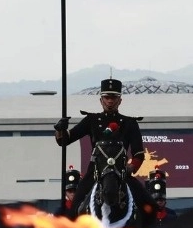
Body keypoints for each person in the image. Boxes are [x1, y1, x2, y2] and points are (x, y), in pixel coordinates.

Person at [53, 78, 156, 219]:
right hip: (95, 171)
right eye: (107, 97)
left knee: (150, 206)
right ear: (101, 100)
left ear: (120, 100)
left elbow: (138, 153)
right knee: (74, 209)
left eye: (113, 97)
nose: (110, 101)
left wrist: (130, 168)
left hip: (121, 172)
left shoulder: (129, 123)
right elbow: (63, 140)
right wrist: (60, 129)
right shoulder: (91, 120)